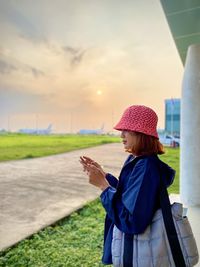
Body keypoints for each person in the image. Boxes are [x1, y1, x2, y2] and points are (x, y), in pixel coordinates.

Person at [80, 105, 175, 266]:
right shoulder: (136, 159)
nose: (121, 135)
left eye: (127, 130)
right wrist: (103, 176)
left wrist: (103, 186)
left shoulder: (146, 167)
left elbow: (131, 221)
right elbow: (129, 194)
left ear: (141, 133)